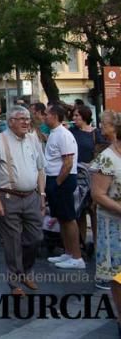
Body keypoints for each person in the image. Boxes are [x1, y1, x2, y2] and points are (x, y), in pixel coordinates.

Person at [0, 105, 46, 295]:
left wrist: (42, 195)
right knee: (12, 241)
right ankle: (14, 283)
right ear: (11, 121)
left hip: (31, 197)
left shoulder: (33, 138)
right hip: (8, 197)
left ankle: (25, 271)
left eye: (28, 118)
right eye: (21, 119)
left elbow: (41, 168)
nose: (26, 122)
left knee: (36, 238)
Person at [44, 103, 85, 270]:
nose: (44, 116)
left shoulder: (63, 134)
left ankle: (77, 257)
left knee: (68, 218)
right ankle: (68, 252)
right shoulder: (54, 134)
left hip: (62, 180)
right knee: (61, 217)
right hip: (54, 179)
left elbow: (68, 162)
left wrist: (58, 183)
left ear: (54, 116)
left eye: (46, 114)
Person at [90, 111, 121, 303]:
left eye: (105, 124)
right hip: (114, 225)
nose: (101, 127)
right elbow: (98, 194)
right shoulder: (107, 158)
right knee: (119, 274)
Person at [72, 104, 107, 254]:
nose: (74, 118)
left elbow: (101, 152)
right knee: (79, 210)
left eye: (77, 116)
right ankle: (81, 243)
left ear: (85, 117)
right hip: (77, 175)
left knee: (93, 210)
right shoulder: (71, 132)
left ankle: (97, 242)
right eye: (73, 116)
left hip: (91, 175)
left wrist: (92, 164)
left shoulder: (95, 133)